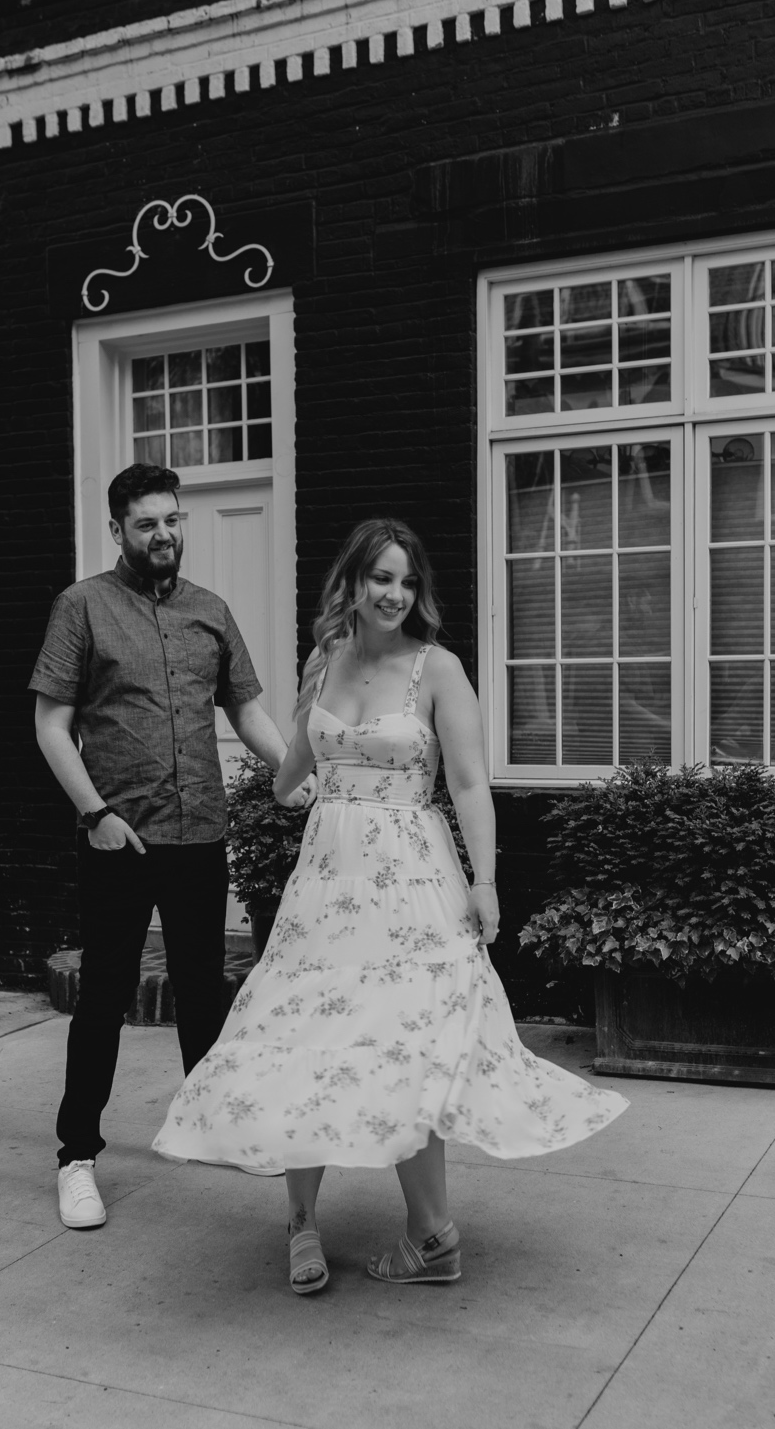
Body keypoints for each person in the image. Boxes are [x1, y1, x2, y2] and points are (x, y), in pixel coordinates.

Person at [153, 519, 628, 1295]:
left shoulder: (436, 669)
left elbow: (470, 783)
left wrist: (484, 882)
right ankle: (302, 1223)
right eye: (381, 577)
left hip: (409, 881)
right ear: (353, 581)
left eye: (407, 581)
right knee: (306, 1036)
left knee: (408, 1045)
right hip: (325, 884)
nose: (394, 593)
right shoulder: (326, 660)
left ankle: (433, 1236)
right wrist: (303, 731)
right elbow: (288, 780)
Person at [30, 463, 313, 1232]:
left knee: (201, 988)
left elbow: (246, 707)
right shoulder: (82, 606)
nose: (165, 533)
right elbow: (51, 726)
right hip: (119, 836)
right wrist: (94, 814)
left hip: (199, 832)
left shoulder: (210, 612)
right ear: (118, 529)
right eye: (148, 522)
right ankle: (77, 1156)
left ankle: (212, 1124)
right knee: (105, 997)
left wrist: (293, 776)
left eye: (173, 519)